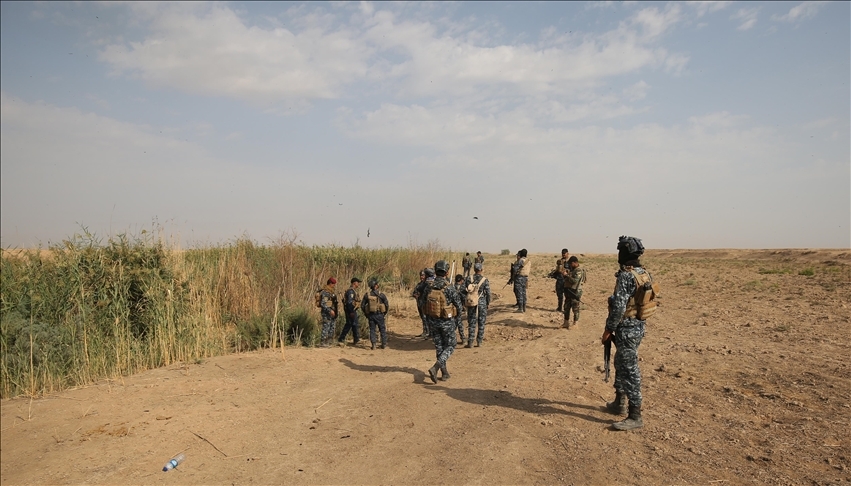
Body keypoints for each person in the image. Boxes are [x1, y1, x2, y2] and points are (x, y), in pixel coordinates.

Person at [601, 236, 654, 431]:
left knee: (630, 369)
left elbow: (618, 307)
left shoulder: (626, 275)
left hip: (626, 327)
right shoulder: (644, 273)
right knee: (620, 363)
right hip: (638, 326)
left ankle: (635, 414)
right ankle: (619, 402)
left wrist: (608, 329)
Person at [423, 260, 462, 383]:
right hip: (447, 322)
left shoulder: (428, 286)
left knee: (439, 347)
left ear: (435, 271)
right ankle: (436, 367)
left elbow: (422, 303)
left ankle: (444, 373)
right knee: (451, 345)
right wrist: (457, 319)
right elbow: (459, 306)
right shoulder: (449, 287)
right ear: (447, 272)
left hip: (432, 322)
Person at [464, 262, 491, 348]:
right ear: (481, 270)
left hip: (472, 302)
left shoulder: (469, 278)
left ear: (474, 269)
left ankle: (470, 342)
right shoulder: (484, 280)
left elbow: (464, 290)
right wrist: (488, 302)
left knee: (471, 322)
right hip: (482, 302)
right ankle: (479, 341)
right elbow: (488, 293)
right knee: (481, 322)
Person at [362, 278, 390, 350]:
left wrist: (366, 315)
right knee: (382, 329)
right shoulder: (381, 295)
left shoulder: (367, 295)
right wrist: (384, 313)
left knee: (372, 330)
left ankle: (373, 345)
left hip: (371, 315)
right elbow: (386, 305)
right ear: (375, 286)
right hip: (380, 314)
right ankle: (383, 344)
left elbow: (362, 306)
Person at [563, 256, 586, 329]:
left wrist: (567, 276)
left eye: (571, 264)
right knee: (566, 307)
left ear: (574, 263)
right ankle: (566, 323)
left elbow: (575, 281)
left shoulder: (578, 270)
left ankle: (575, 323)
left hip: (575, 292)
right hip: (569, 291)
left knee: (575, 308)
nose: (570, 265)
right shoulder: (573, 270)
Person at [338, 277, 362, 346]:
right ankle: (342, 339)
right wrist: (351, 311)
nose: (358, 284)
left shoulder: (353, 291)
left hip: (351, 310)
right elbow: (349, 302)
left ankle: (356, 339)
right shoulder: (351, 291)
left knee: (353, 324)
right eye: (358, 282)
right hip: (350, 310)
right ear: (354, 283)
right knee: (350, 324)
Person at [318, 277, 339, 347]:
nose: (334, 285)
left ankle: (329, 341)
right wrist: (330, 310)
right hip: (326, 313)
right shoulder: (325, 292)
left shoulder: (331, 292)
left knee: (332, 327)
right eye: (333, 284)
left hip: (332, 313)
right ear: (330, 283)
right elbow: (323, 303)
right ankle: (323, 342)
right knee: (326, 327)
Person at [411, 269, 431, 339]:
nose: (421, 277)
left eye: (423, 275)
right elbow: (414, 292)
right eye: (421, 275)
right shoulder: (419, 284)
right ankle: (424, 331)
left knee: (426, 318)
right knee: (423, 318)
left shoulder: (427, 284)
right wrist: (415, 295)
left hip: (426, 304)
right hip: (419, 303)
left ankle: (428, 332)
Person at [453, 274, 467, 342]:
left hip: (452, 308)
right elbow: (464, 298)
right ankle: (462, 338)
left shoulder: (451, 287)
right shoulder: (462, 288)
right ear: (461, 280)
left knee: (455, 322)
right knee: (459, 323)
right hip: (459, 307)